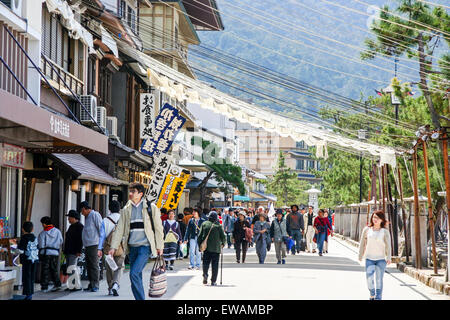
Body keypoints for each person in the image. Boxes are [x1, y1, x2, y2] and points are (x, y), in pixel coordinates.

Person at [109, 182, 164, 300]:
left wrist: (160, 246)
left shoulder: (151, 208)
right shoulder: (125, 209)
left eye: (133, 191)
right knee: (135, 275)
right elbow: (119, 229)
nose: (130, 194)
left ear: (140, 194)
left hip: (145, 247)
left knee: (133, 273)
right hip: (132, 247)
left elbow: (159, 228)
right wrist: (113, 247)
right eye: (130, 191)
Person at [358, 210, 392, 300]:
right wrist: (360, 255)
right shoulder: (367, 229)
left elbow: (388, 245)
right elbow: (362, 243)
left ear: (382, 219)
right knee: (369, 279)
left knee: (379, 279)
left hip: (381, 259)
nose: (375, 219)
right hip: (369, 258)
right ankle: (372, 293)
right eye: (374, 217)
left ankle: (378, 297)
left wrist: (388, 257)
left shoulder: (385, 231)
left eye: (377, 217)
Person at [98, 200, 124, 296]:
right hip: (120, 246)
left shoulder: (105, 220)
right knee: (119, 267)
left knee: (109, 267)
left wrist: (99, 249)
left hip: (108, 248)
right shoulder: (122, 219)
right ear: (119, 209)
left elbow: (102, 236)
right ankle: (116, 284)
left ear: (109, 209)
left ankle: (110, 288)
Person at [198, 211, 226, 286]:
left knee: (205, 263)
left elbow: (199, 236)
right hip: (216, 249)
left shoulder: (204, 224)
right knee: (215, 265)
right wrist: (223, 244)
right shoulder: (218, 226)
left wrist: (199, 246)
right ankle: (213, 281)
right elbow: (223, 237)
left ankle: (205, 274)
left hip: (206, 248)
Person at [79, 201, 103, 292]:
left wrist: (100, 246)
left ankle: (95, 285)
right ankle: (91, 283)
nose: (82, 213)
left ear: (85, 209)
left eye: (82, 211)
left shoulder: (95, 215)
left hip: (94, 244)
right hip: (88, 245)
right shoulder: (87, 217)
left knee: (94, 265)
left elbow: (101, 229)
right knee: (89, 265)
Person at [37, 216, 63, 292]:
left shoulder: (43, 233)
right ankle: (57, 284)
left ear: (44, 224)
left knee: (45, 270)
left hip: (46, 253)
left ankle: (44, 287)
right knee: (54, 269)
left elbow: (41, 245)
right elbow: (61, 241)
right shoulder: (58, 231)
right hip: (55, 253)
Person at [63, 210, 83, 292]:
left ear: (75, 218)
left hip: (74, 251)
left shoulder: (80, 227)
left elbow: (80, 240)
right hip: (69, 251)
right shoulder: (72, 226)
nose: (68, 219)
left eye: (69, 217)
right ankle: (71, 285)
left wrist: (79, 251)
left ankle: (77, 286)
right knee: (69, 268)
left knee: (72, 268)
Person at [18, 221, 38, 299]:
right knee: (32, 277)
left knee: (26, 276)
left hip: (26, 259)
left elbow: (21, 250)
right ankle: (30, 294)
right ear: (32, 229)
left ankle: (28, 295)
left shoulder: (24, 238)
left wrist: (13, 251)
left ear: (23, 229)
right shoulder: (34, 237)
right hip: (35, 259)